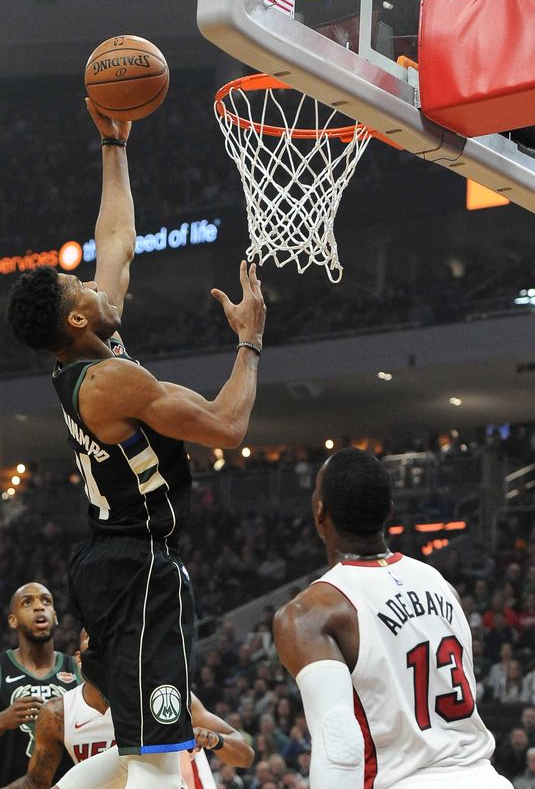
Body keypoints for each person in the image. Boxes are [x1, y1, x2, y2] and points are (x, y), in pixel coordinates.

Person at [6, 99, 266, 789]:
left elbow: (115, 239)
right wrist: (249, 340)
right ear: (77, 314)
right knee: (156, 750)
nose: (93, 280)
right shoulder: (110, 381)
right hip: (137, 568)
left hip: (105, 558)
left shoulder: (86, 349)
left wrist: (112, 146)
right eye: (80, 284)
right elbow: (227, 424)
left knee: (129, 740)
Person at [273, 448, 513, 789]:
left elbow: (339, 747)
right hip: (487, 778)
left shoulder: (311, 612)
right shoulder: (442, 585)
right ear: (389, 509)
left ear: (319, 510)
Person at [3, 626, 253, 789]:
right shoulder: (59, 713)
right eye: (93, 639)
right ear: (79, 660)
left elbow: (245, 755)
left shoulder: (162, 695)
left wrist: (215, 740)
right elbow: (36, 784)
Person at [0, 583, 80, 785]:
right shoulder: (1, 667)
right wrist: (2, 720)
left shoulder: (78, 669)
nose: (39, 606)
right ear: (13, 620)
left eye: (46, 601)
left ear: (55, 615)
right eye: (27, 602)